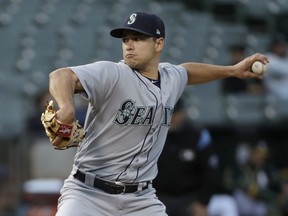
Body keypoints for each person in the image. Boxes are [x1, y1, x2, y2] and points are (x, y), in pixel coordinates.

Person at [47, 11, 268, 216]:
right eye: (125, 39)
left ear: (158, 43)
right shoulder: (113, 74)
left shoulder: (171, 78)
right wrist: (67, 107)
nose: (129, 45)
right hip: (88, 194)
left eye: (138, 38)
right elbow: (61, 76)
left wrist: (233, 70)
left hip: (140, 199)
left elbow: (188, 72)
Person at [153, 98, 219, 216]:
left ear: (183, 113)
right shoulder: (153, 134)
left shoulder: (197, 135)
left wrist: (203, 202)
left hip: (190, 199)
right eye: (169, 113)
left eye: (176, 113)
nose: (172, 117)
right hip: (159, 198)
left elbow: (210, 171)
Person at [263, 33, 288, 100]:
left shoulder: (285, 58)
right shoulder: (268, 58)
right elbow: (282, 70)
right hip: (274, 100)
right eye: (278, 45)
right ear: (272, 46)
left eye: (283, 45)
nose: (281, 47)